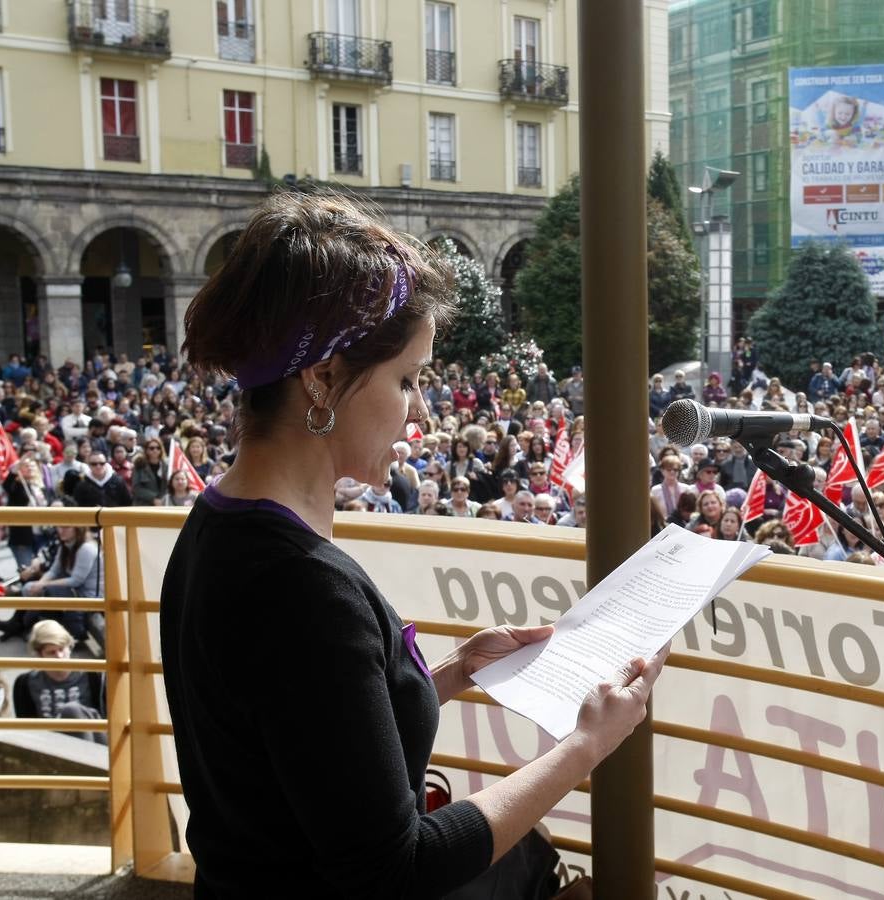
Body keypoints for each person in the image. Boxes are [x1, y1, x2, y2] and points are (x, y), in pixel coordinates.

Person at [161, 193, 666, 896]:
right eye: (407, 379)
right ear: (325, 378)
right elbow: (394, 869)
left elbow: (309, 742)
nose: (421, 410)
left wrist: (456, 669)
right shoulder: (304, 588)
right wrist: (585, 746)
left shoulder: (214, 527)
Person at [13, 619, 106, 742]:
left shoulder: (92, 676)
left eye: (62, 649)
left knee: (72, 710)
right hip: (50, 745)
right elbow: (26, 730)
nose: (59, 656)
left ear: (70, 648)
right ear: (40, 655)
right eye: (52, 652)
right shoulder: (25, 683)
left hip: (92, 743)